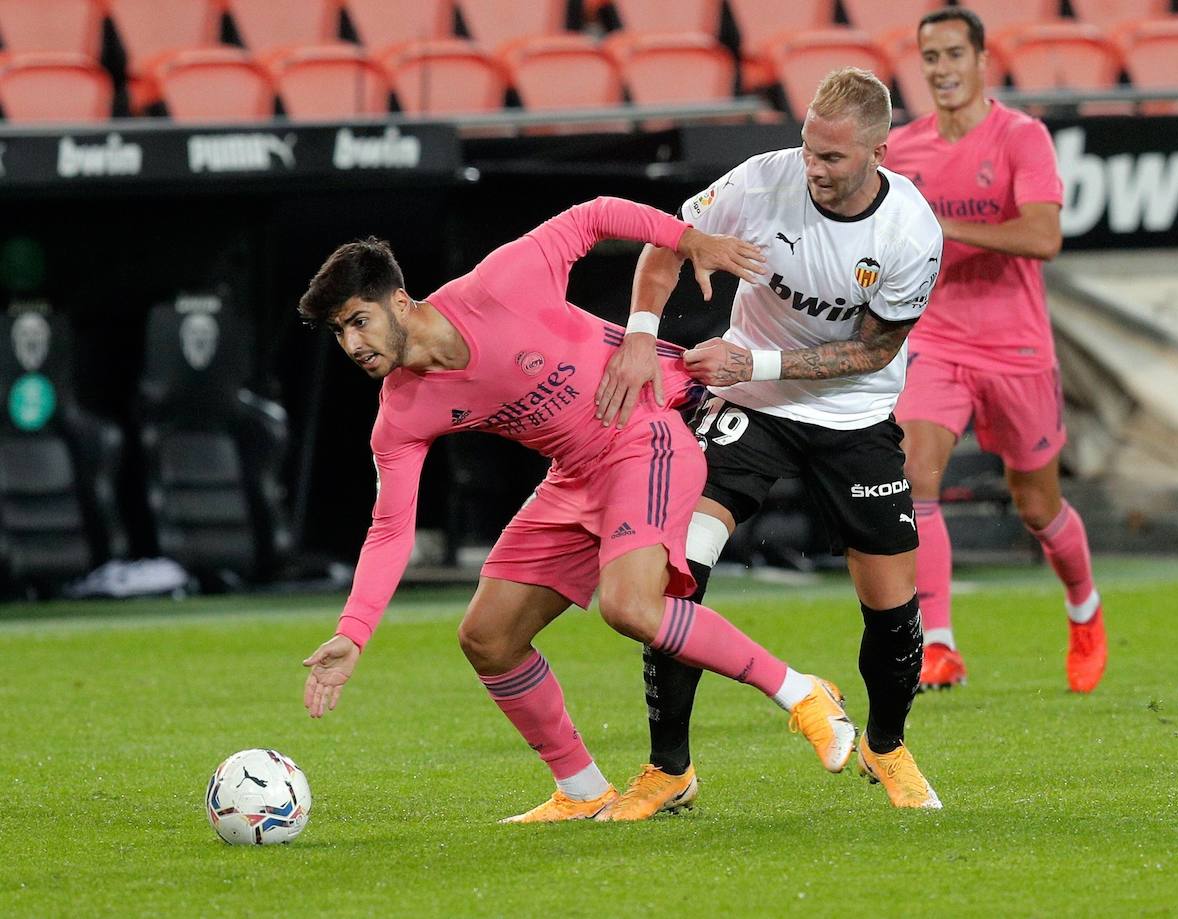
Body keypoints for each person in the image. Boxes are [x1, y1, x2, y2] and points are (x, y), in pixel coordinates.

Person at [295, 196, 858, 824]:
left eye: (358, 320)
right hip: (573, 477)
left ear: (399, 301)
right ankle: (583, 789)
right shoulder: (402, 411)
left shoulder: (500, 285)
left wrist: (688, 239)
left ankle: (802, 692)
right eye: (340, 331)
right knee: (488, 637)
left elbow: (594, 215)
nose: (352, 343)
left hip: (647, 432)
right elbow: (391, 527)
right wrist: (353, 632)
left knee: (630, 607)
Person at [594, 68, 945, 817]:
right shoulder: (761, 181)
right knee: (674, 572)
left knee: (891, 608)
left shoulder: (910, 233)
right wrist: (642, 335)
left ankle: (886, 745)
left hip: (852, 414)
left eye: (834, 159)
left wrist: (758, 360)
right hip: (747, 405)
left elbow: (876, 350)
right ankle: (670, 769)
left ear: (880, 150)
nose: (813, 168)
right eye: (809, 148)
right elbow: (665, 244)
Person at [883, 7, 1106, 694]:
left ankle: (1084, 608)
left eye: (955, 54)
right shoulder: (903, 148)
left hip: (1016, 348)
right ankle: (938, 645)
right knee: (915, 474)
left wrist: (938, 226)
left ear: (984, 61)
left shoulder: (1021, 137)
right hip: (938, 340)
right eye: (931, 57)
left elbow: (1043, 236)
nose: (943, 69)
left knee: (1037, 506)